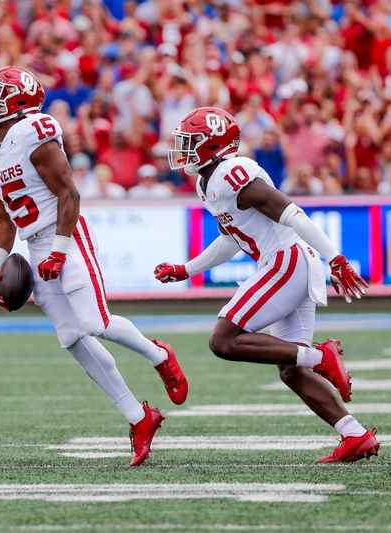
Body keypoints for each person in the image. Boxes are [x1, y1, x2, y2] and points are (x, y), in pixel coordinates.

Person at [0, 66, 188, 467]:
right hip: (34, 242)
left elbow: (68, 191)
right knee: (71, 336)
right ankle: (139, 418)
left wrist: (58, 249)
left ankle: (158, 355)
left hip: (65, 234)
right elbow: (3, 217)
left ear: (18, 103)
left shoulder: (34, 131)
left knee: (96, 322)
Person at [154, 107, 379, 464]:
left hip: (286, 261)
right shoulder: (207, 181)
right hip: (288, 262)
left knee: (223, 339)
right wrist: (187, 268)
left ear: (213, 145)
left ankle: (322, 356)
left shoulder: (232, 172)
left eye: (192, 142)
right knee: (290, 368)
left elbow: (291, 212)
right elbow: (231, 239)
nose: (184, 149)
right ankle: (355, 434)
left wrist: (335, 257)